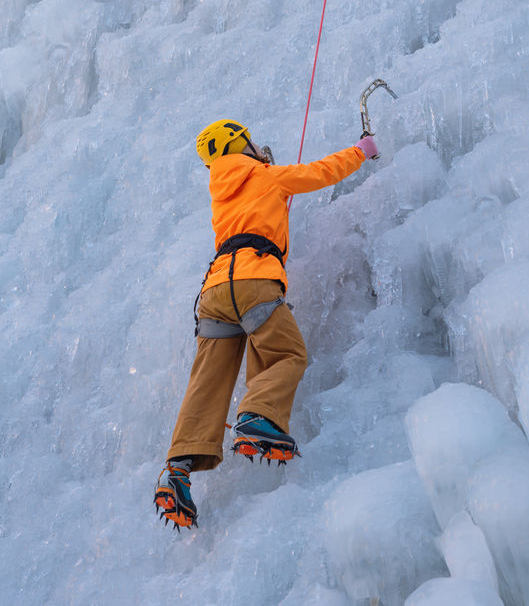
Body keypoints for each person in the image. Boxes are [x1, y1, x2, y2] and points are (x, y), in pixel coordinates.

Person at [154, 119, 378, 529]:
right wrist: (362, 150)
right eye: (251, 142)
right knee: (287, 353)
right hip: (255, 281)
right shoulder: (265, 175)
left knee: (206, 383)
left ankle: (177, 471)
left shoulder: (218, 190)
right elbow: (320, 172)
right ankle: (257, 417)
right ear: (242, 144)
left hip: (215, 292)